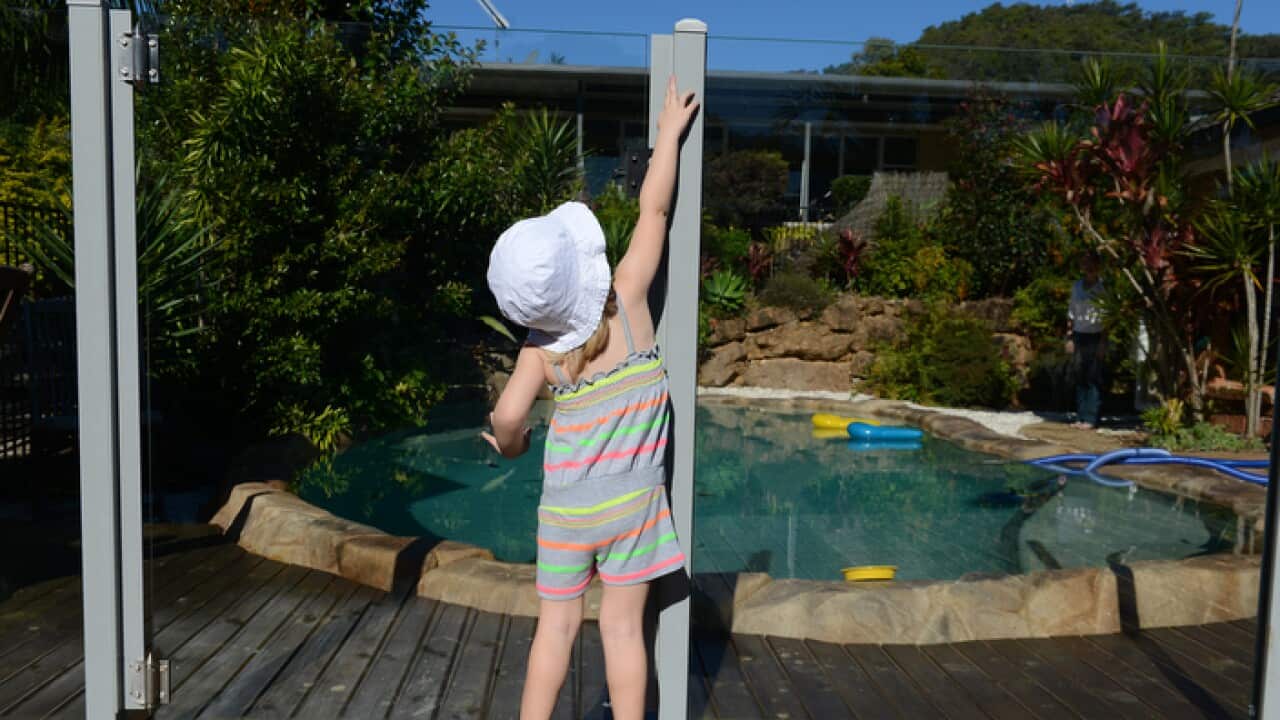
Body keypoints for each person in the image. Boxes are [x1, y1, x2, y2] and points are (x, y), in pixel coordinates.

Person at [480, 76, 698, 720]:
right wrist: (667, 136)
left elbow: (510, 417)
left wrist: (511, 444)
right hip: (632, 506)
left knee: (556, 628)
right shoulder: (630, 300)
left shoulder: (538, 354)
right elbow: (654, 211)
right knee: (624, 631)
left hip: (566, 514)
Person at [1067, 252, 1105, 429]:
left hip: (1096, 335)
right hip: (1079, 334)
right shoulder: (1077, 287)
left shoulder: (1103, 288)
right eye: (1085, 264)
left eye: (1091, 264)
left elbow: (1108, 317)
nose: (1088, 268)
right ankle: (1080, 415)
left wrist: (1103, 342)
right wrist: (1069, 337)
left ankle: (1091, 417)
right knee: (1080, 376)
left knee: (1093, 376)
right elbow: (1071, 313)